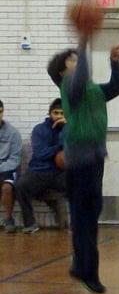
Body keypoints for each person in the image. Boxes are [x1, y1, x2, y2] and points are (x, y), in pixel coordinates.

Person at [47, 35, 119, 293]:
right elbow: (80, 74)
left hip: (94, 157)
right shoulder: (70, 87)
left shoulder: (93, 90)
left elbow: (117, 87)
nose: (78, 61)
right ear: (62, 71)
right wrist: (83, 37)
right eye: (72, 59)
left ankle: (81, 266)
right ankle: (86, 270)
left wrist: (115, 63)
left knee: (90, 216)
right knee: (84, 216)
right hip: (80, 157)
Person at [16, 98, 67, 233]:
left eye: (62, 113)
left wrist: (65, 130)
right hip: (40, 171)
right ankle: (30, 223)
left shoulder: (70, 129)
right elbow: (41, 154)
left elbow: (73, 150)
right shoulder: (39, 130)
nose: (59, 116)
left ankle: (75, 223)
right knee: (21, 186)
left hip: (60, 173)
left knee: (81, 184)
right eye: (56, 113)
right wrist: (59, 146)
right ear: (50, 113)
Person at [0, 100, 22, 233]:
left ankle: (8, 219)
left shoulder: (13, 133)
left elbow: (15, 159)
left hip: (7, 169)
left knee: (7, 187)